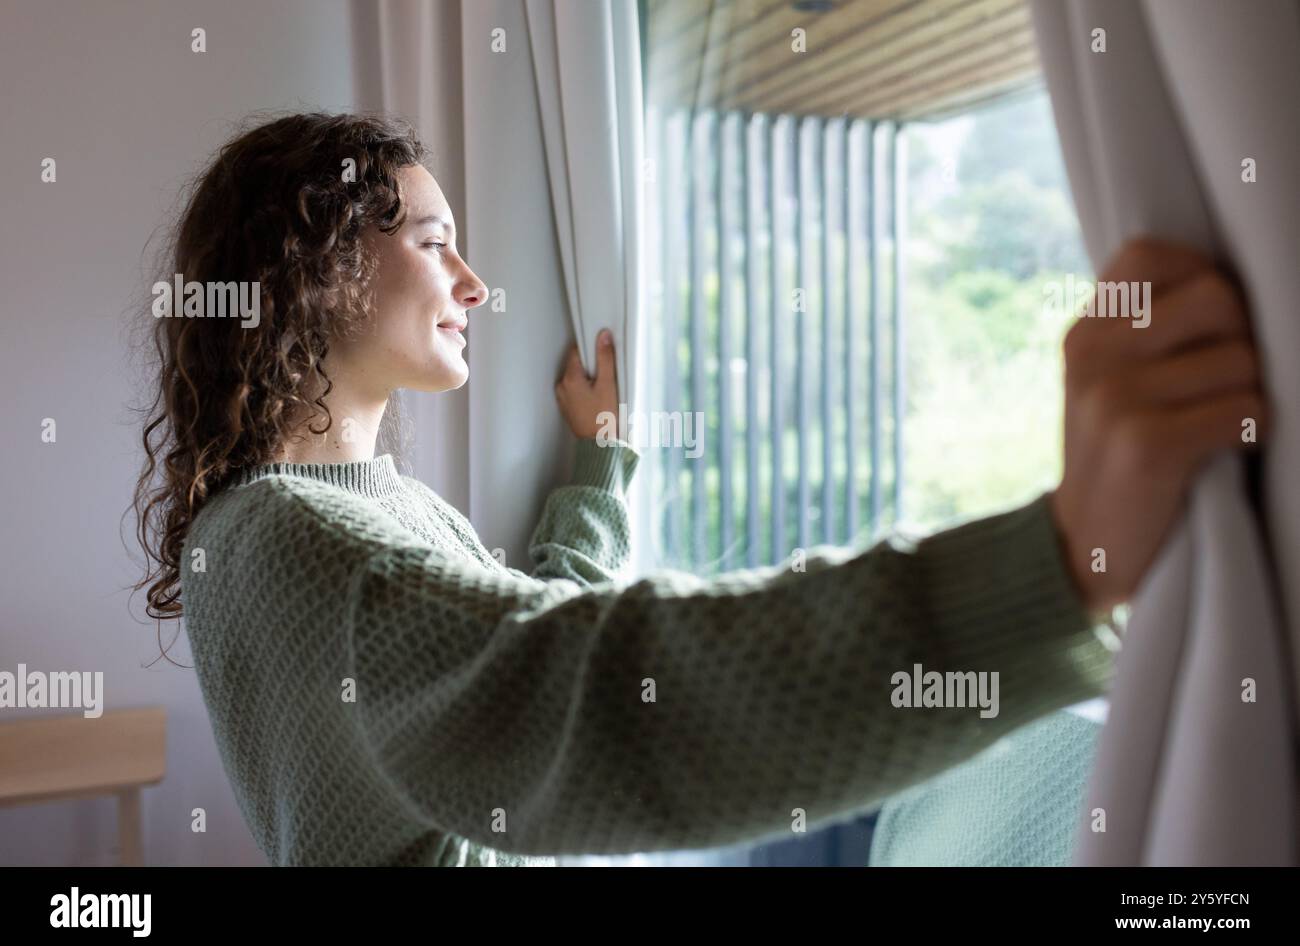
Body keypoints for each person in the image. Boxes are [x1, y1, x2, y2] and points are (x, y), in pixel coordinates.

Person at [132, 112, 1266, 866]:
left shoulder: (347, 514)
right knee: (1053, 760)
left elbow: (524, 648)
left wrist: (602, 463)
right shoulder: (289, 538)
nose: (474, 284)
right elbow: (585, 687)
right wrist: (1056, 558)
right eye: (434, 244)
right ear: (321, 264)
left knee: (1035, 752)